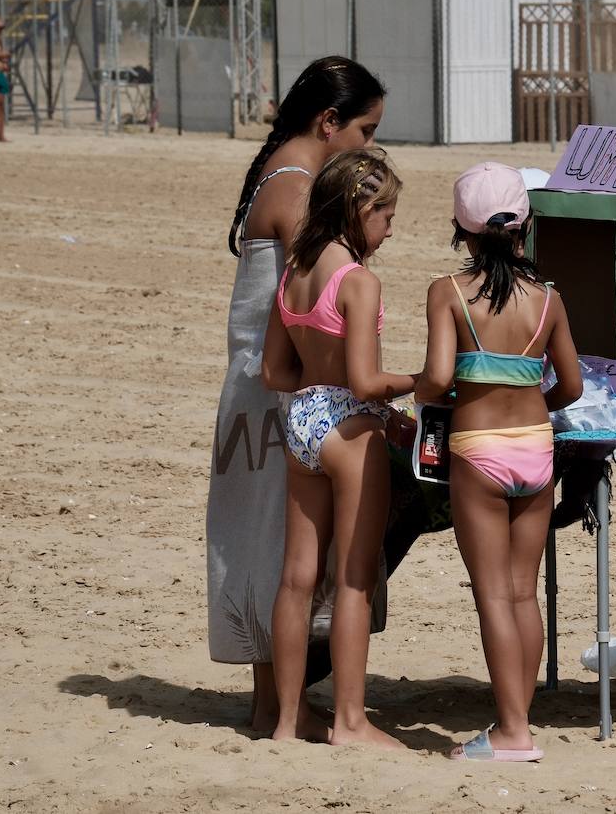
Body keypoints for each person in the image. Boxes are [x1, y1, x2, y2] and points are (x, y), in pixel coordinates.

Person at [205, 56, 386, 736]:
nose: (369, 145)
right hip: (280, 394)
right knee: (287, 553)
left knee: (276, 548)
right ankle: (289, 706)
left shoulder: (280, 171)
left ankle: (275, 708)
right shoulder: (301, 188)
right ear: (328, 121)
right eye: (364, 131)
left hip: (271, 388)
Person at [417, 162, 582, 763]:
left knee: (491, 596)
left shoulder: (448, 292)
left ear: (461, 231)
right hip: (536, 449)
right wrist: (533, 396)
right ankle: (519, 718)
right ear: (525, 225)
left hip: (478, 450)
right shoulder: (550, 300)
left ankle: (513, 731)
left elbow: (437, 377)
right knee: (522, 593)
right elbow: (573, 386)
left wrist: (425, 395)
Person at [261, 148, 414, 748]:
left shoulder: (295, 272)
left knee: (296, 579)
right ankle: (350, 721)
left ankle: (286, 719)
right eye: (386, 215)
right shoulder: (358, 282)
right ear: (359, 209)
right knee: (353, 579)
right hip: (351, 428)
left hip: (301, 422)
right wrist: (424, 383)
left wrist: (316, 386)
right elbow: (367, 382)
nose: (390, 228)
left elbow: (275, 370)